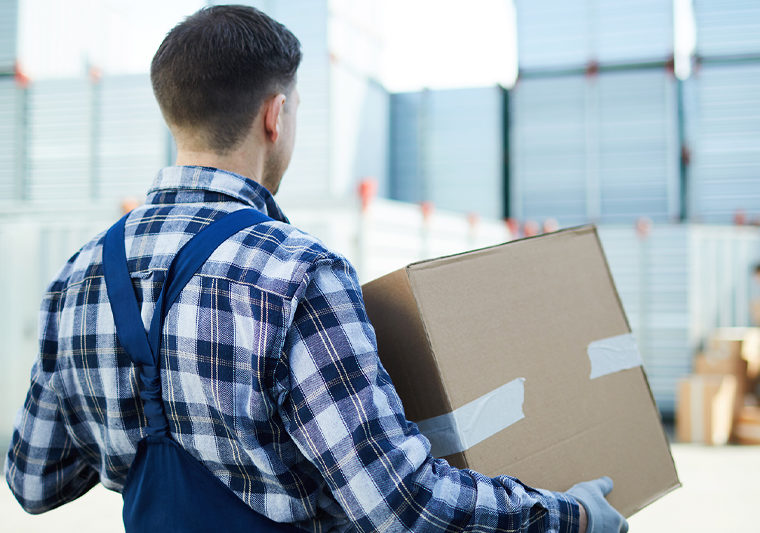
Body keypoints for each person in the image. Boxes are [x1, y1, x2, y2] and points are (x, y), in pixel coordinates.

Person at [5, 5, 627, 532]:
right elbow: (402, 505)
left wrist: (127, 416)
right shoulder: (297, 273)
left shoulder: (77, 278)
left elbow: (32, 481)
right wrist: (569, 516)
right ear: (275, 116)